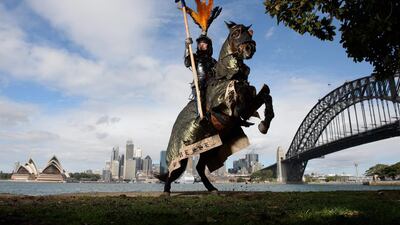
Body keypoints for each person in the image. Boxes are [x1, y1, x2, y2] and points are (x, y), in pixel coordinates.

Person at [184, 34, 217, 110]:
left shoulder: (213, 61)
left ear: (208, 46)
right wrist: (187, 48)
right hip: (199, 86)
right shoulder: (195, 57)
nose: (201, 45)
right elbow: (187, 63)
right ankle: (200, 117)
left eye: (204, 43)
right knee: (201, 102)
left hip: (212, 86)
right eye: (199, 43)